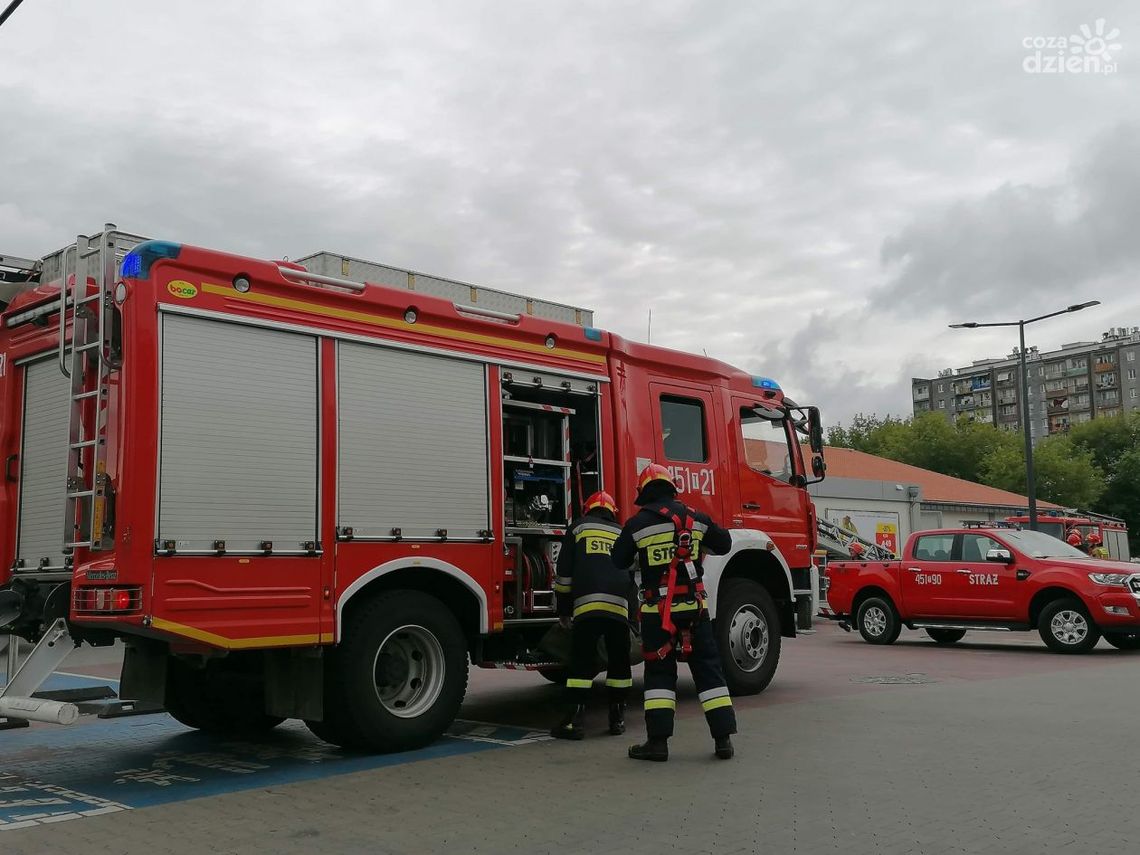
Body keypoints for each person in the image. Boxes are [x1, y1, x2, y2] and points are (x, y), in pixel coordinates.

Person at [612, 463, 736, 762]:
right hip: (696, 610)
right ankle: (723, 741)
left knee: (658, 675)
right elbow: (725, 544)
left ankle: (657, 744)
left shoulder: (636, 524)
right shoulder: (696, 518)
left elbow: (618, 561)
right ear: (671, 488)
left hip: (658, 615)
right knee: (709, 671)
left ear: (643, 493)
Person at [550, 490, 633, 740]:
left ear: (589, 509)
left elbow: (564, 575)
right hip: (619, 609)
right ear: (611, 512)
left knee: (581, 662)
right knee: (620, 662)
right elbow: (630, 574)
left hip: (587, 609)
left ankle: (574, 723)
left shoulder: (578, 529)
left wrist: (563, 610)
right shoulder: (620, 532)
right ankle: (617, 719)